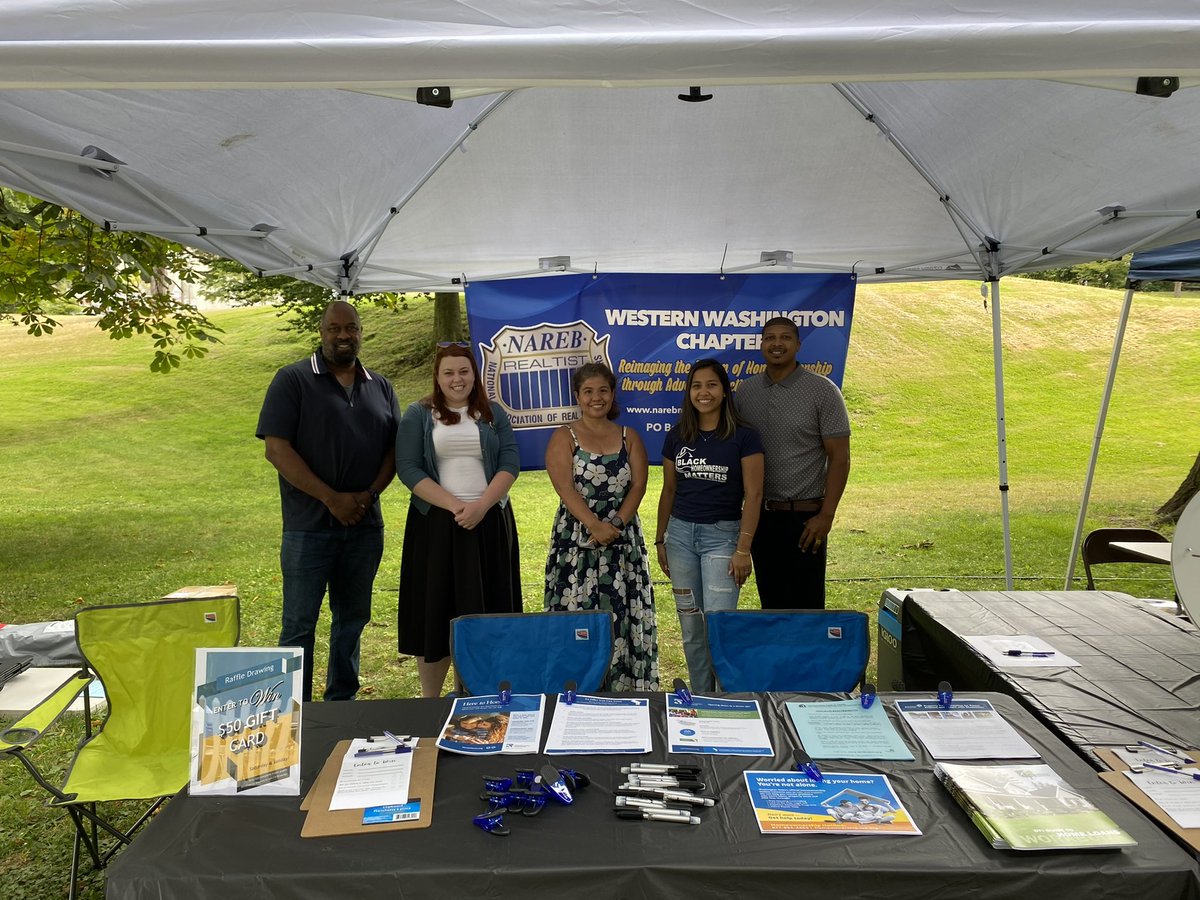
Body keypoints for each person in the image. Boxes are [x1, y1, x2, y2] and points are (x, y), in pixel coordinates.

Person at [256, 299, 399, 702]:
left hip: (364, 527)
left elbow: (395, 450)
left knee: (352, 620)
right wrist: (331, 498)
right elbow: (277, 450)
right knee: (299, 624)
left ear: (360, 332)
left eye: (350, 328)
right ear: (321, 333)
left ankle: (341, 704)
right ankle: (293, 710)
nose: (343, 335)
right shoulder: (293, 380)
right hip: (308, 528)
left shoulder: (380, 386)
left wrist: (369, 495)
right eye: (334, 328)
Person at [396, 344, 522, 697]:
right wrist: (456, 506)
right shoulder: (418, 414)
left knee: (487, 613)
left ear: (474, 374)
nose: (457, 379)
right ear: (437, 376)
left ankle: (475, 695)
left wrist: (481, 506)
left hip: (489, 524)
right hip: (436, 527)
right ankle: (431, 702)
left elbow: (510, 461)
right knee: (436, 614)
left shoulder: (493, 413)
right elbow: (408, 467)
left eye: (464, 371)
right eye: (449, 372)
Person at [544, 362, 659, 691]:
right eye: (588, 391)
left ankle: (624, 689)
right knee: (579, 617)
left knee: (622, 614)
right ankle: (578, 690)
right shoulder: (564, 436)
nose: (596, 398)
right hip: (577, 541)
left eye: (603, 391)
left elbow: (639, 486)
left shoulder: (629, 436)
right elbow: (564, 487)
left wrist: (616, 523)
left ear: (613, 394)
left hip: (622, 542)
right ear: (577, 396)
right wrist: (594, 525)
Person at [655, 359, 763, 693]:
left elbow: (754, 494)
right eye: (697, 385)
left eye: (712, 385)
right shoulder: (678, 436)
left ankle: (724, 700)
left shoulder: (744, 436)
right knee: (691, 629)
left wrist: (743, 549)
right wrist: (660, 540)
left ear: (724, 390)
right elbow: (669, 490)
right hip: (680, 538)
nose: (704, 392)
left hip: (723, 538)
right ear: (689, 392)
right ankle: (702, 697)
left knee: (719, 627)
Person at [735, 316, 850, 609]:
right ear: (761, 344)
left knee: (807, 607)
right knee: (771, 604)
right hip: (761, 516)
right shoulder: (746, 392)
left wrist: (826, 515)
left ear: (798, 345)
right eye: (770, 338)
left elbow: (840, 458)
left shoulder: (823, 391)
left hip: (806, 518)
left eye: (785, 337)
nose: (777, 344)